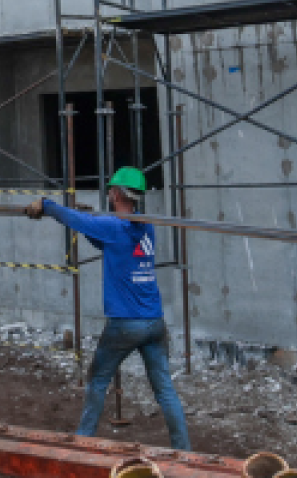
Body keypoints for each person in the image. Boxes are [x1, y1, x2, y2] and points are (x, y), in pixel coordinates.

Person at [24, 167, 191, 450]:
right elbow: (105, 242)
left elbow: (78, 222)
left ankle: (84, 438)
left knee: (98, 379)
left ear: (114, 193)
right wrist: (93, 219)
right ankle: (183, 448)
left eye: (111, 190)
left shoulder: (114, 227)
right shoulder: (145, 226)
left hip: (125, 324)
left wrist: (48, 206)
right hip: (154, 322)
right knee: (164, 391)